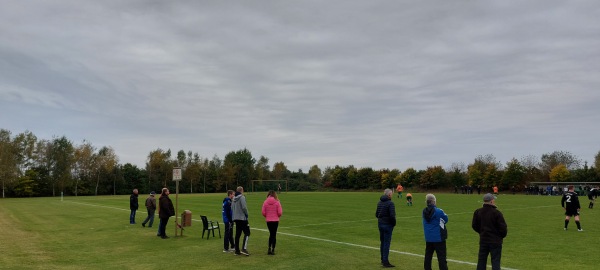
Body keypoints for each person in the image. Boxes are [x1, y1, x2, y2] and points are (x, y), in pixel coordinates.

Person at [472, 193, 508, 270]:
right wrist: (499, 236)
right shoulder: (496, 213)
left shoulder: (478, 212)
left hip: (484, 239)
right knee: (495, 261)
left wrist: (481, 232)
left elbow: (474, 225)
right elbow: (503, 228)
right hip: (495, 241)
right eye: (493, 200)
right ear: (491, 201)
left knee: (481, 260)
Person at [422, 194, 448, 270]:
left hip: (428, 237)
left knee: (428, 256)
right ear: (433, 201)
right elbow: (446, 219)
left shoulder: (424, 211)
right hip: (438, 237)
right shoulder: (439, 211)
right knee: (441, 257)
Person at [375, 188, 396, 268]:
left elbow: (376, 214)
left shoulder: (379, 202)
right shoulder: (390, 203)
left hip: (380, 224)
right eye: (391, 194)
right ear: (389, 194)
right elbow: (392, 216)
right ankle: (385, 262)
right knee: (386, 243)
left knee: (383, 242)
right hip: (388, 225)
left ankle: (382, 259)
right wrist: (393, 223)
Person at [262, 190, 283, 255]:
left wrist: (267, 216)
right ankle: (273, 249)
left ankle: (269, 248)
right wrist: (277, 216)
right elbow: (280, 212)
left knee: (271, 234)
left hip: (269, 220)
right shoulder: (277, 202)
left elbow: (263, 212)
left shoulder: (265, 202)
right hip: (275, 220)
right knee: (274, 234)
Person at [232, 186, 251, 256]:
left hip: (236, 218)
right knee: (247, 233)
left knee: (238, 234)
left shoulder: (233, 199)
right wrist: (246, 214)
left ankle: (237, 250)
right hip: (242, 218)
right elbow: (244, 207)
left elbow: (232, 208)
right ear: (241, 190)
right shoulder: (242, 197)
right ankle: (244, 248)